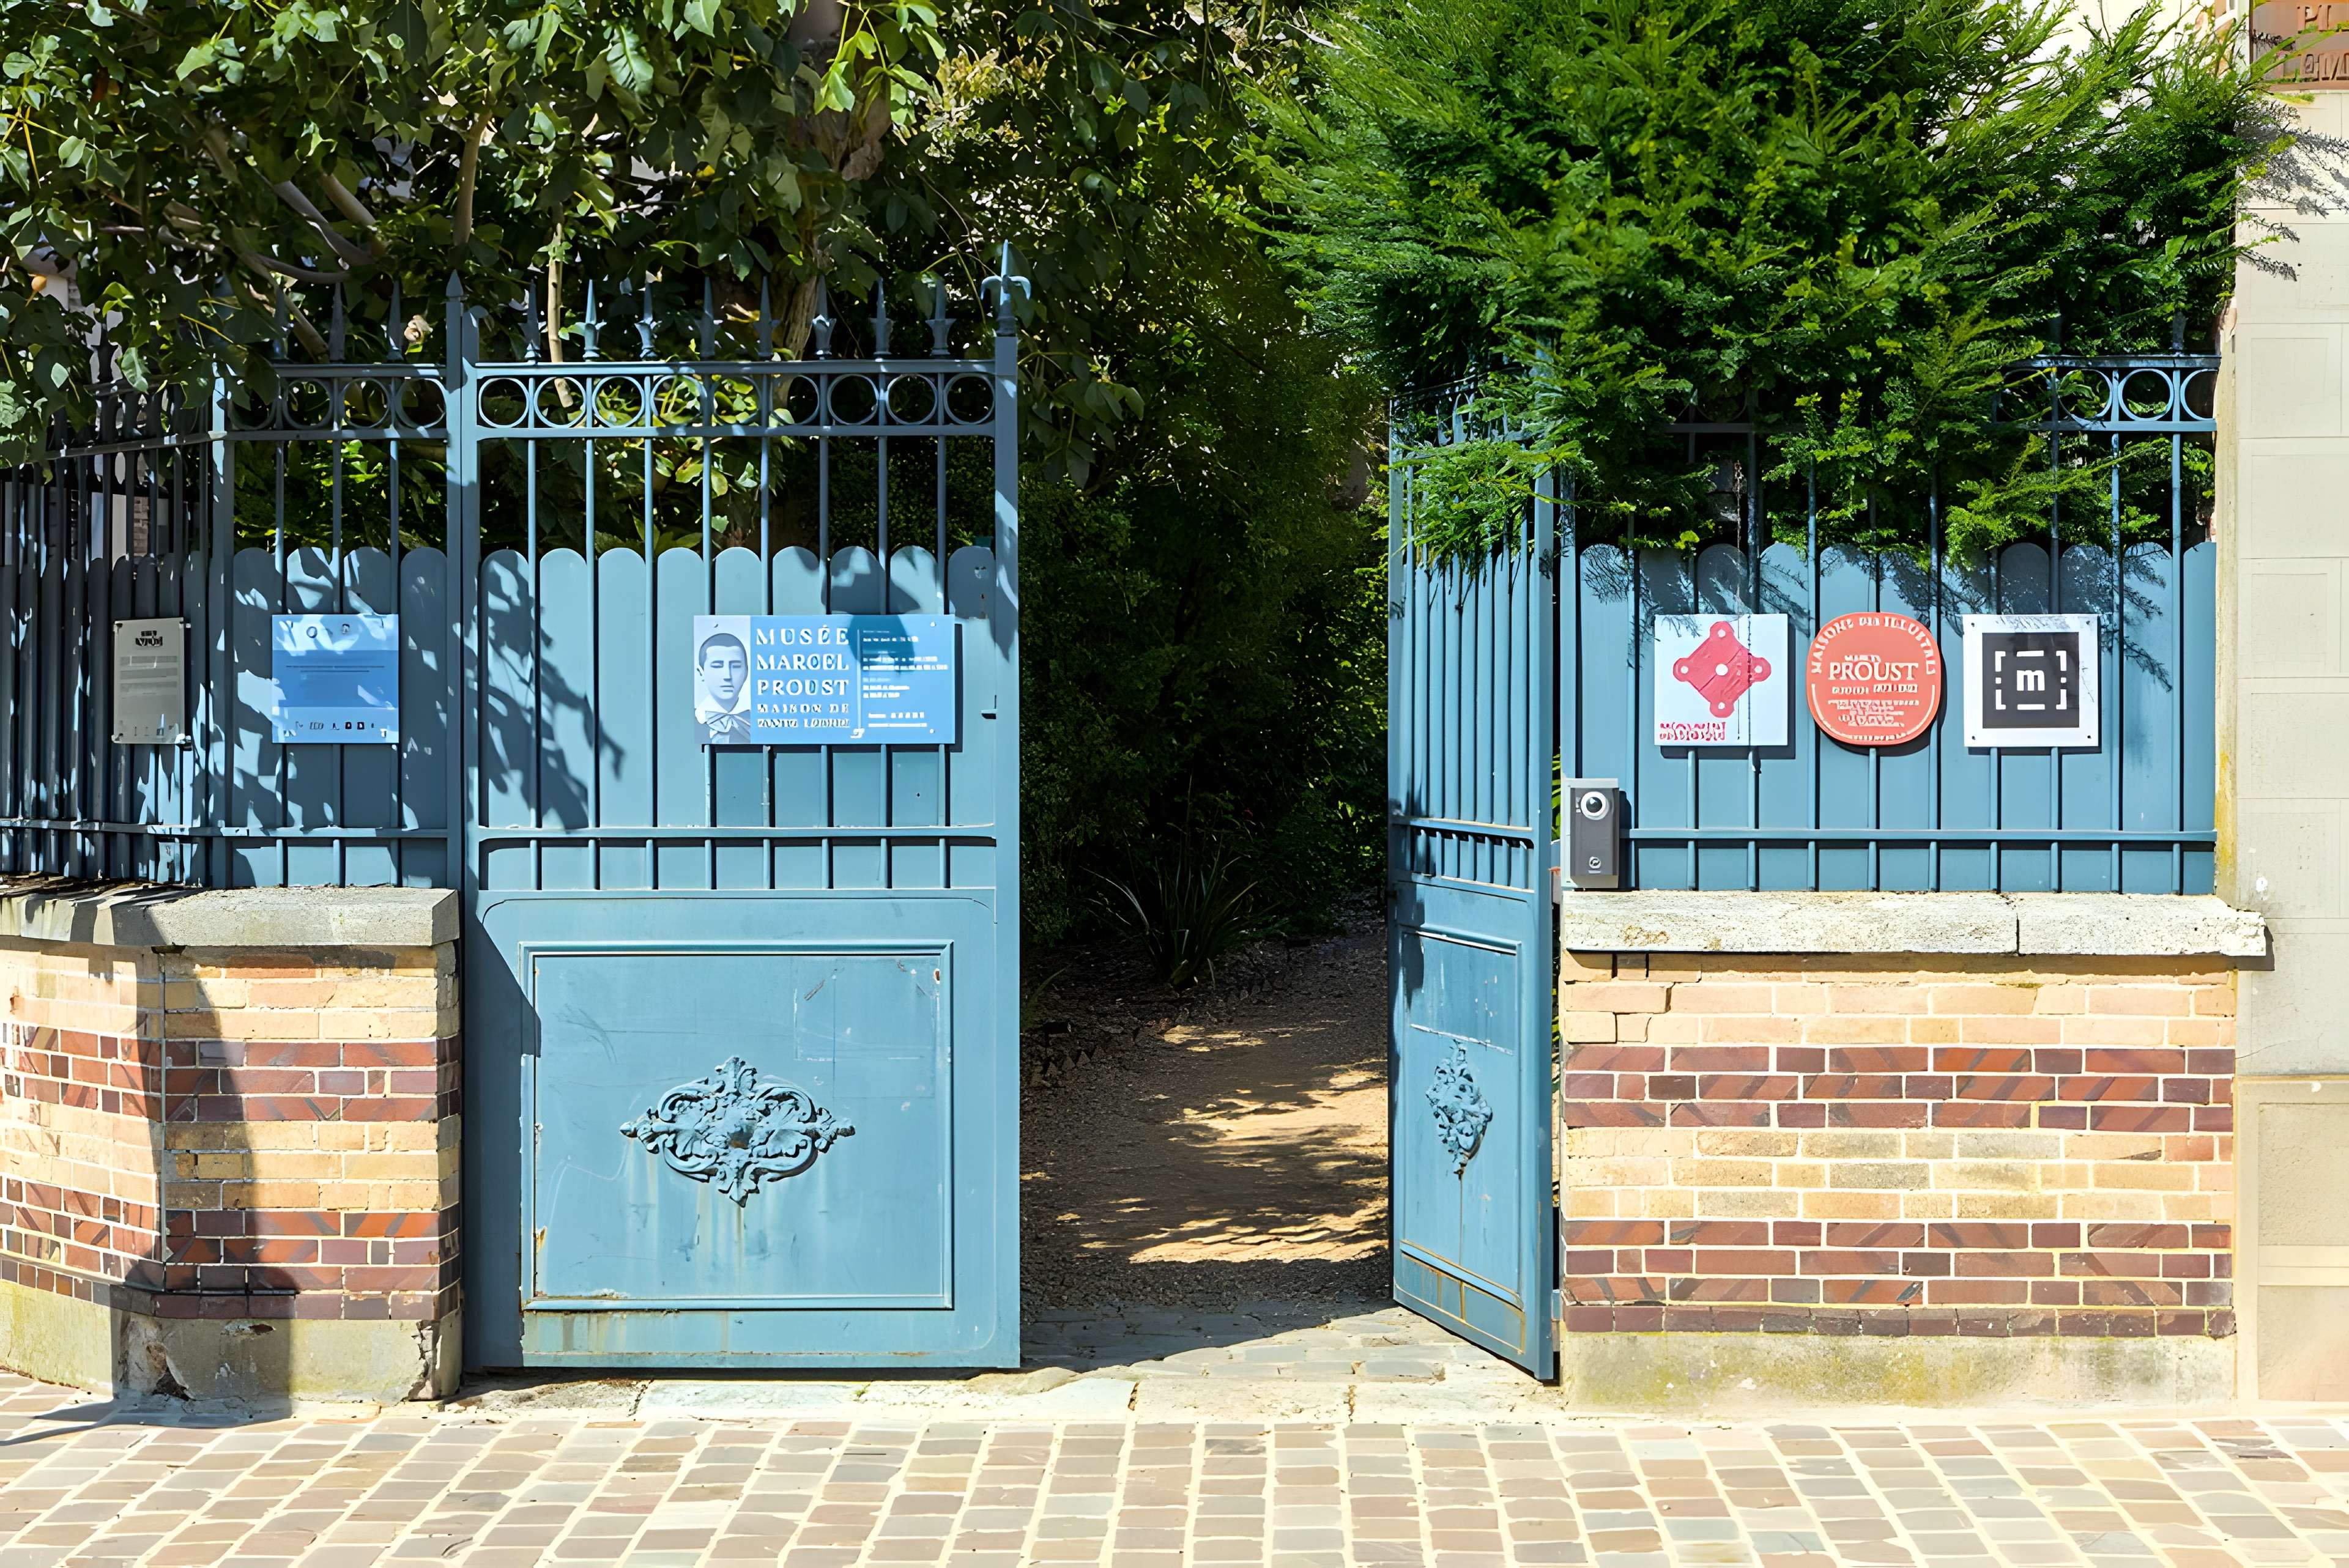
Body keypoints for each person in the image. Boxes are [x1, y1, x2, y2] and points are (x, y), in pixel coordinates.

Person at [694, 630, 755, 745]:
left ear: (746, 672)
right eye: (717, 666)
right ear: (701, 673)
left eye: (736, 666)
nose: (727, 676)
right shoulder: (691, 723)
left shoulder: (760, 722)